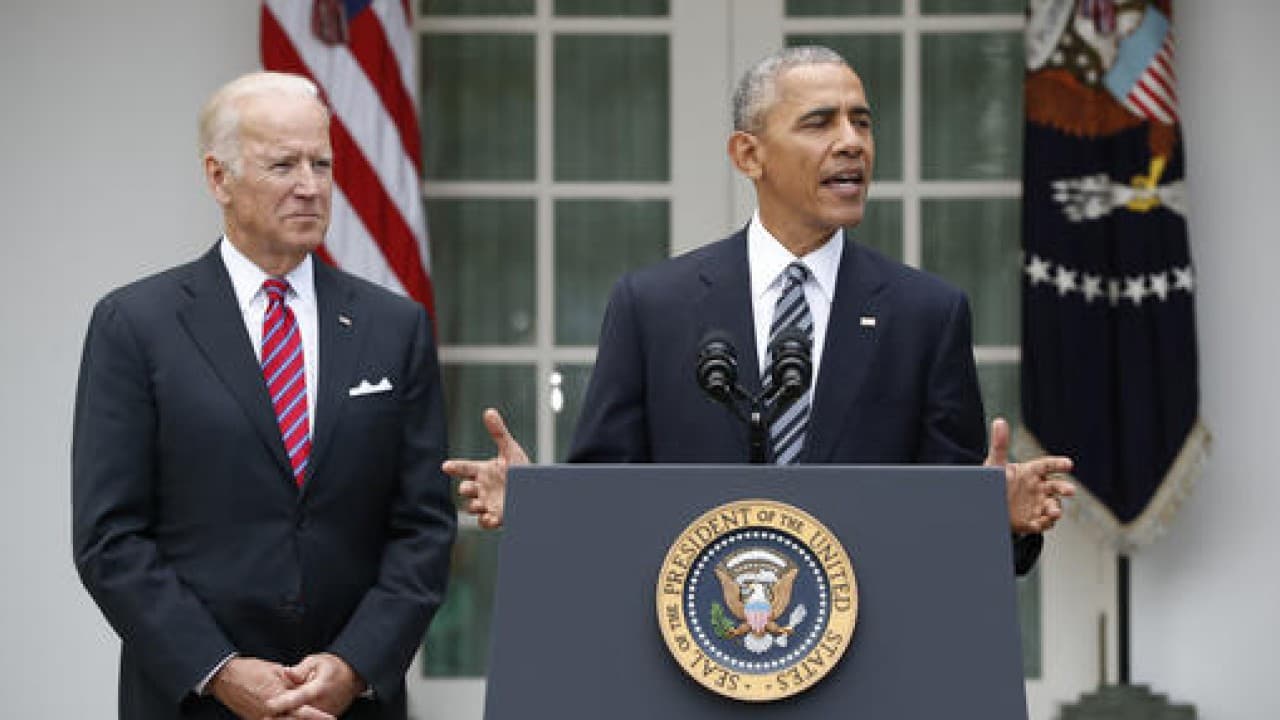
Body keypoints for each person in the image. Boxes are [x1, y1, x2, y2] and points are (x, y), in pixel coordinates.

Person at [444, 46, 1075, 573]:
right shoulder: (653, 306)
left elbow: (951, 533)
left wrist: (999, 520)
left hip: (869, 654)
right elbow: (607, 503)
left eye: (861, 122)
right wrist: (540, 507)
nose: (851, 142)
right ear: (749, 155)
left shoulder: (926, 314)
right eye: (820, 123)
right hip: (694, 647)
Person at [72, 72, 455, 719]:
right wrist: (219, 670)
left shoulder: (396, 327)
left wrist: (353, 664)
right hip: (195, 702)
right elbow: (110, 537)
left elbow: (423, 527)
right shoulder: (136, 325)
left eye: (321, 163)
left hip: (348, 704)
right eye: (283, 165)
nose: (310, 186)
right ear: (218, 177)